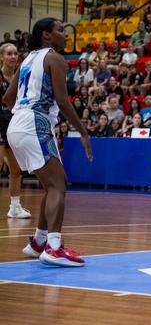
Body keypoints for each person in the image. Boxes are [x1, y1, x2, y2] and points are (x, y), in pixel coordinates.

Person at [3, 18, 92, 266]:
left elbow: (8, 98)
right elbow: (63, 102)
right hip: (35, 122)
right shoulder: (55, 59)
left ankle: (39, 241)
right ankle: (53, 248)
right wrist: (83, 132)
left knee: (52, 184)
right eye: (60, 31)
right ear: (46, 35)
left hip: (17, 123)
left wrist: (24, 112)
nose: (66, 35)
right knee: (58, 186)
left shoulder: (27, 60)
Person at [0, 43, 31, 218]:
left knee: (16, 170)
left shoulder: (21, 78)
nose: (13, 57)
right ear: (1, 57)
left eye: (15, 54)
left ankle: (15, 207)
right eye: (9, 54)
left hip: (13, 125)